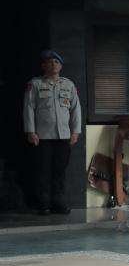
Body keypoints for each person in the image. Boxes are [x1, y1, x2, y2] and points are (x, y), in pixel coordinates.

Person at [23, 50, 81, 215]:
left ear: (61, 66)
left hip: (63, 136)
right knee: (43, 171)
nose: (53, 64)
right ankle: (43, 204)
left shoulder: (68, 85)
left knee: (59, 171)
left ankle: (58, 202)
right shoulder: (35, 84)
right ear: (43, 66)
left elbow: (76, 109)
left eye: (56, 62)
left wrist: (75, 131)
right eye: (49, 62)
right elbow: (28, 108)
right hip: (42, 136)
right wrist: (30, 131)